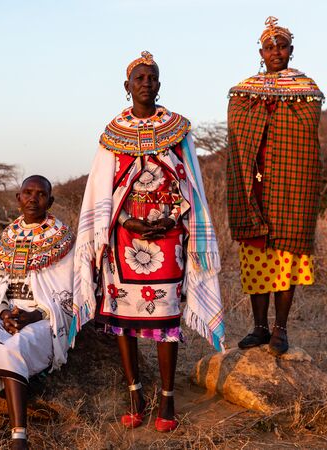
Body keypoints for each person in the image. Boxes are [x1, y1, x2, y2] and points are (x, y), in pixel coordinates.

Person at [73, 51, 225, 433]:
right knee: (124, 320)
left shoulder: (178, 129)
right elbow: (101, 190)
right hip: (124, 236)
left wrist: (172, 217)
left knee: (166, 317)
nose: (145, 83)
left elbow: (190, 181)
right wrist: (128, 221)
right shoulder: (113, 133)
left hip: (170, 233)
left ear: (159, 83)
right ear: (127, 87)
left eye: (152, 77)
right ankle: (136, 393)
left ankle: (169, 397)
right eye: (139, 78)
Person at [226, 17, 324, 356]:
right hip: (254, 185)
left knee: (286, 258)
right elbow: (239, 125)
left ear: (291, 50)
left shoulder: (306, 89)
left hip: (291, 183)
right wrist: (267, 111)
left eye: (281, 46)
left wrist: (271, 112)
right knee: (256, 259)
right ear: (261, 53)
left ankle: (281, 329)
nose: (276, 52)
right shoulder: (244, 90)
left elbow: (304, 130)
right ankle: (259, 327)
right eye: (270, 47)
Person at [0, 176, 74, 450]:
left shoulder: (62, 238)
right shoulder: (7, 237)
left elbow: (66, 294)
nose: (33, 199)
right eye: (28, 193)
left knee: (15, 346)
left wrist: (34, 315)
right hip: (8, 313)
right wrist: (4, 311)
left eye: (41, 194)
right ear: (18, 198)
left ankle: (19, 437)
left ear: (50, 201)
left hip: (44, 317)